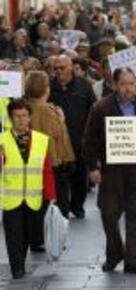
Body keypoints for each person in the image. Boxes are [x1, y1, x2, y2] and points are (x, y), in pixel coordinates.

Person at [83, 67, 136, 274]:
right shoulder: (101, 107)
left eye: (131, 83)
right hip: (112, 170)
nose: (128, 88)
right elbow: (89, 141)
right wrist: (93, 167)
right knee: (108, 212)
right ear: (113, 85)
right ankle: (114, 253)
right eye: (123, 84)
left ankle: (134, 259)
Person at [0, 99, 55, 279]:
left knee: (28, 233)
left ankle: (20, 261)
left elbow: (46, 169)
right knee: (13, 233)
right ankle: (17, 267)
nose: (21, 120)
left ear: (29, 117)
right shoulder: (2, 141)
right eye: (17, 116)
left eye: (24, 116)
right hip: (11, 197)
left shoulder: (40, 140)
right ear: (10, 118)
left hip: (34, 197)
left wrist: (51, 195)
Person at [49, 55, 97, 219]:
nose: (58, 71)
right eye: (55, 68)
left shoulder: (83, 85)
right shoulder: (49, 86)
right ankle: (61, 207)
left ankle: (77, 206)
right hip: (57, 142)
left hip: (78, 140)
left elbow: (94, 109)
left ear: (71, 67)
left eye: (62, 68)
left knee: (79, 176)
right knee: (60, 177)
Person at [25, 70, 75, 221]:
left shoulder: (26, 107)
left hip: (35, 163)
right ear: (45, 88)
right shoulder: (46, 110)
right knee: (58, 207)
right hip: (53, 164)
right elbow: (57, 137)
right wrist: (61, 119)